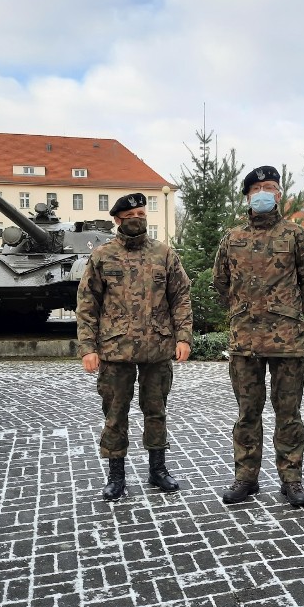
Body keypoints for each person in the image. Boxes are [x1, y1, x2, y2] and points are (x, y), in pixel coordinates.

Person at [212, 165, 304, 507]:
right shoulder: (232, 238)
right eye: (257, 187)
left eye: (271, 187)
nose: (264, 192)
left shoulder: (296, 236)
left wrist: (287, 312)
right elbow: (220, 285)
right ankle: (246, 478)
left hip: (286, 342)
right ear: (248, 196)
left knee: (288, 414)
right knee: (248, 414)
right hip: (245, 342)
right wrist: (243, 312)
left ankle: (291, 480)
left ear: (279, 194)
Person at [76, 192, 193, 501]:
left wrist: (183, 337)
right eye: (130, 217)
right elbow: (87, 303)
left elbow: (180, 297)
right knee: (115, 413)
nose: (137, 220)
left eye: (141, 214)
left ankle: (158, 470)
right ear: (117, 220)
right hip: (115, 350)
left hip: (157, 347)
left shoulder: (164, 254)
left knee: (156, 410)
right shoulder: (102, 256)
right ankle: (116, 476)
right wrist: (88, 347)